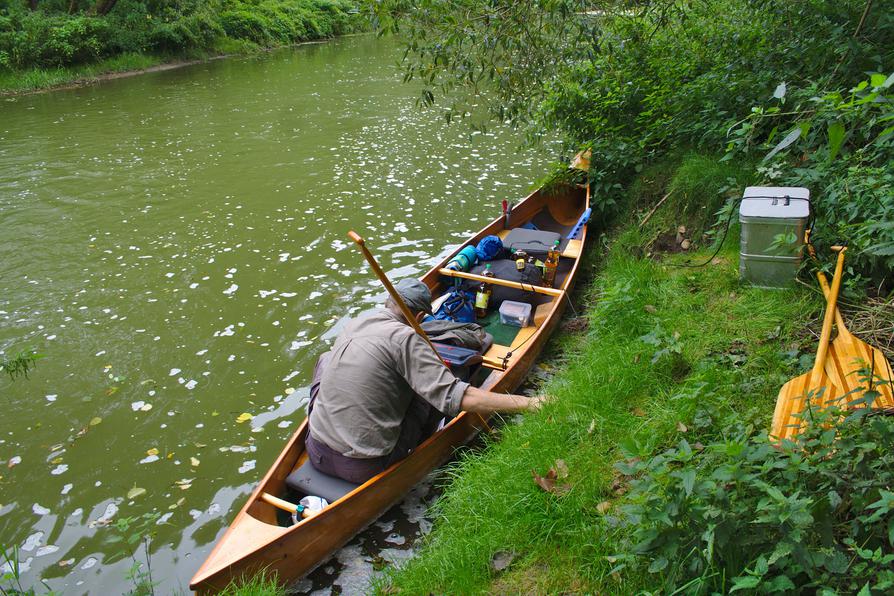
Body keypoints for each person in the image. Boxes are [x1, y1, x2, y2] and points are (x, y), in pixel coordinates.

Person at [306, 278, 545, 484]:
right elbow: (460, 396)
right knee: (427, 391)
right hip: (366, 465)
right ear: (419, 316)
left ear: (388, 302)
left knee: (326, 360)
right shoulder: (405, 338)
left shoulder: (355, 322)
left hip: (315, 449)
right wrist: (530, 403)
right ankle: (428, 441)